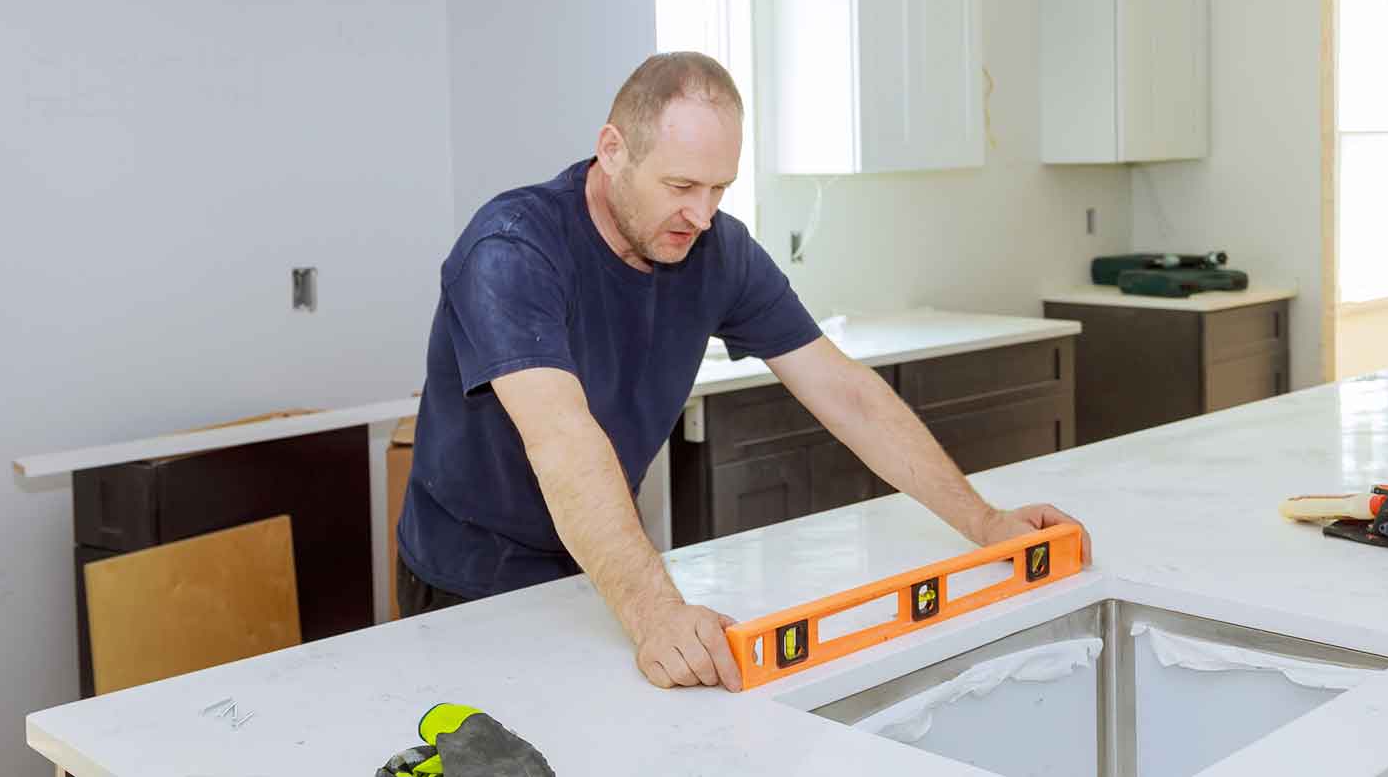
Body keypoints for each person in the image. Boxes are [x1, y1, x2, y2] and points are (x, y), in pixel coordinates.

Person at [396, 51, 1092, 692]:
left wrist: (985, 521)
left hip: (597, 571)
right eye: (681, 185)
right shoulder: (513, 248)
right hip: (469, 583)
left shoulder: (715, 250)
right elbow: (563, 441)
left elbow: (845, 392)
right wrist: (657, 614)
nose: (700, 214)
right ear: (613, 151)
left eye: (720, 188)